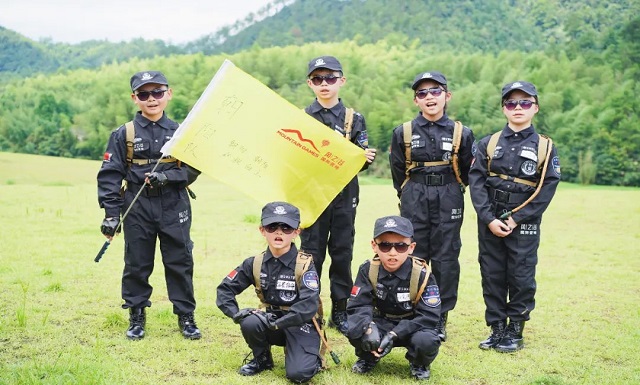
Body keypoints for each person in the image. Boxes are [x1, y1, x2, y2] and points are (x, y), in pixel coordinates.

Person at [97, 70, 201, 340]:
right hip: (137, 205)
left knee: (180, 261)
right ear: (135, 98)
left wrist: (166, 177)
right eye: (144, 94)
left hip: (174, 205)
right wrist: (111, 214)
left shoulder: (181, 133)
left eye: (157, 92)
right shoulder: (124, 133)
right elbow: (110, 174)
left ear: (169, 94)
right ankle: (136, 315)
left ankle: (186, 317)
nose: (151, 99)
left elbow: (193, 169)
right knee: (137, 263)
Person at [468, 81, 561, 353]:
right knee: (492, 273)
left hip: (524, 221)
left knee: (521, 275)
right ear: (503, 108)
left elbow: (547, 187)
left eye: (525, 103)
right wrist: (488, 218)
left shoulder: (545, 146)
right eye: (511, 103)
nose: (518, 108)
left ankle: (515, 329)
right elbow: (476, 183)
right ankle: (497, 328)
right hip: (490, 219)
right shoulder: (487, 143)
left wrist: (517, 218)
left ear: (536, 108)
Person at [389, 71, 475, 342]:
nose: (429, 97)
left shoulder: (462, 133)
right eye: (422, 94)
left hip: (449, 193)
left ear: (446, 96)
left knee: (446, 256)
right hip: (415, 193)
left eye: (435, 91)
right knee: (414, 254)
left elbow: (466, 169)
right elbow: (397, 170)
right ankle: (412, 310)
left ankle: (439, 316)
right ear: (416, 100)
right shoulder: (403, 132)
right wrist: (407, 193)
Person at [301, 55, 377, 334]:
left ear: (341, 81)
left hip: (345, 195)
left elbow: (362, 156)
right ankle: (309, 311)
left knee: (342, 254)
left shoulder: (353, 118)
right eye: (318, 79)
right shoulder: (302, 118)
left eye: (330, 78)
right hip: (312, 196)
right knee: (311, 255)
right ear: (310, 83)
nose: (325, 84)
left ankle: (340, 312)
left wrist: (365, 157)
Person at [216, 202, 322, 384]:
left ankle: (310, 356)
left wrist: (278, 323)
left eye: (286, 227)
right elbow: (225, 289)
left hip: (300, 324)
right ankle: (262, 359)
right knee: (250, 321)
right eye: (272, 227)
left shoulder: (304, 265)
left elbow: (308, 306)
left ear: (297, 232)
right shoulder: (254, 263)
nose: (279, 232)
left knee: (299, 375)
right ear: (262, 230)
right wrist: (235, 314)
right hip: (270, 321)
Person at [347, 215, 441, 381]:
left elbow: (429, 316)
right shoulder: (368, 270)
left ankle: (419, 363)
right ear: (374, 246)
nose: (392, 253)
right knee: (357, 329)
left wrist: (394, 334)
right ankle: (368, 357)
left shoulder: (422, 274)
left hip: (412, 325)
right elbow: (358, 307)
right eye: (385, 245)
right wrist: (369, 328)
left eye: (400, 246)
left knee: (427, 340)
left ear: (411, 247)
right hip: (381, 321)